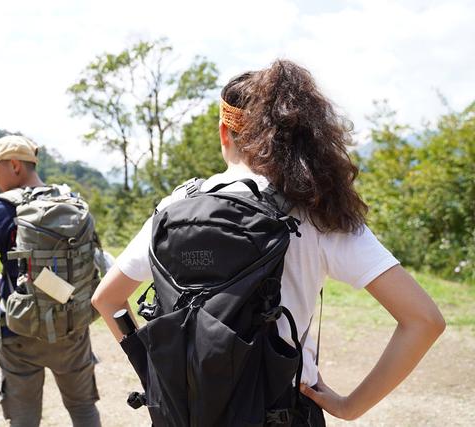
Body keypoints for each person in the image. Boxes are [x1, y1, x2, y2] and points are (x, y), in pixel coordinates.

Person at [91, 60, 445, 423]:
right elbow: (423, 320)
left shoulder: (177, 204)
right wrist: (350, 407)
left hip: (187, 413)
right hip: (281, 412)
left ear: (224, 133)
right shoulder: (314, 212)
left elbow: (107, 299)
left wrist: (156, 375)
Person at [0, 135, 101, 427]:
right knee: (83, 408)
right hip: (72, 324)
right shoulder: (71, 202)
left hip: (19, 330)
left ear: (16, 166)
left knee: (24, 420)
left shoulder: (2, 208)